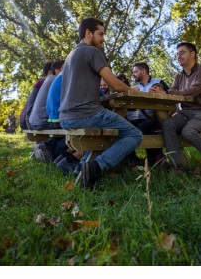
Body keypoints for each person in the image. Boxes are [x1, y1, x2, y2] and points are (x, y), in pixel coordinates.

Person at [59, 17, 143, 189]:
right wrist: (134, 90)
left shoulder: (71, 55)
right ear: (88, 33)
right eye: (100, 34)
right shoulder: (92, 52)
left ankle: (80, 167)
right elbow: (114, 83)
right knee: (134, 135)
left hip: (66, 117)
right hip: (86, 113)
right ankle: (96, 167)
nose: (103, 39)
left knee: (108, 133)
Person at [151, 42, 201, 177]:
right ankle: (176, 167)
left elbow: (194, 91)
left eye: (182, 52)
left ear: (192, 54)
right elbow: (174, 93)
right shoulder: (178, 76)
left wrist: (171, 92)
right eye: (177, 54)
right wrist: (168, 93)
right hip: (185, 112)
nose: (178, 56)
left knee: (188, 132)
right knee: (167, 124)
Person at [132, 62, 170, 166]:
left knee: (145, 126)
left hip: (159, 117)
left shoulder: (158, 81)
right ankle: (131, 158)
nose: (133, 74)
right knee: (127, 124)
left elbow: (171, 96)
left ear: (144, 71)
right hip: (142, 117)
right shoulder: (136, 87)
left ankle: (156, 157)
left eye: (135, 71)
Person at [19, 61, 53, 130]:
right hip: (29, 121)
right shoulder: (44, 83)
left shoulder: (41, 82)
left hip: (27, 120)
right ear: (50, 71)